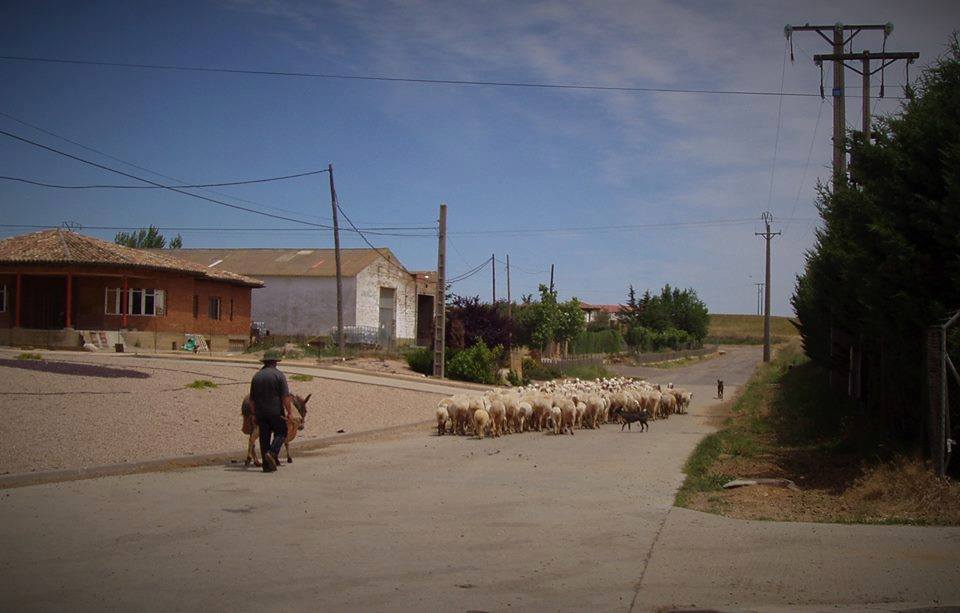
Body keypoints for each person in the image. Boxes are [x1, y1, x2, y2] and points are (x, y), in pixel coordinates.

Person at [248, 349, 293, 473]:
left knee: (264, 437)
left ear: (265, 362)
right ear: (275, 362)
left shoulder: (256, 376)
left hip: (260, 412)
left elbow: (252, 400)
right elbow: (285, 397)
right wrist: (289, 412)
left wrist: (254, 414)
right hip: (275, 411)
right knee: (282, 432)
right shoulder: (279, 375)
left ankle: (266, 466)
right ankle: (272, 453)